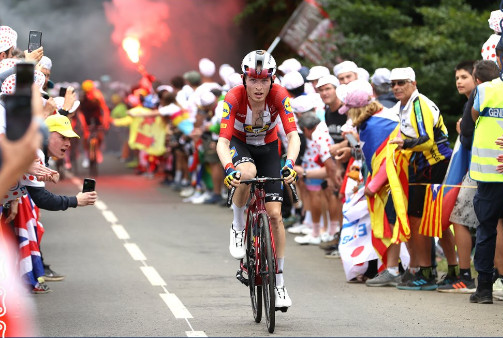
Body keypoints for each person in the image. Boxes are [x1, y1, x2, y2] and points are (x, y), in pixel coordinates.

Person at [216, 50, 300, 308]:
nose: (259, 86)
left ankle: (280, 283)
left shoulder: (280, 96)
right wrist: (229, 168)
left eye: (264, 80)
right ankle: (238, 225)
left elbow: (293, 136)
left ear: (272, 80)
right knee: (247, 173)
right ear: (244, 79)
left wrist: (290, 163)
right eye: (253, 80)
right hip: (240, 146)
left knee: (275, 215)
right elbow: (222, 141)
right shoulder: (233, 97)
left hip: (269, 149)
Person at [388, 67, 453, 291]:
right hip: (421, 167)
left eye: (401, 83)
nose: (396, 87)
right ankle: (431, 270)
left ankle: (428, 272)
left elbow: (426, 140)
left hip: (435, 165)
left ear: (413, 84)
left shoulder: (419, 104)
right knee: (421, 219)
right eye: (393, 83)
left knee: (425, 220)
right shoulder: (404, 105)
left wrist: (404, 143)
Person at [468, 41, 503, 304]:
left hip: (489, 176)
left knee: (486, 231)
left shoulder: (485, 89)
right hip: (490, 174)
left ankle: (484, 290)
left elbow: (472, 117)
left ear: (498, 59)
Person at [78, 79, 110, 168]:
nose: (88, 93)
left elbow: (104, 109)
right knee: (85, 136)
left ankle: (98, 150)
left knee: (100, 135)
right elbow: (79, 111)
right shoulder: (82, 96)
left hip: (96, 116)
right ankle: (86, 155)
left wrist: (105, 121)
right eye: (86, 91)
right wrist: (82, 123)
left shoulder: (98, 95)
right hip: (86, 116)